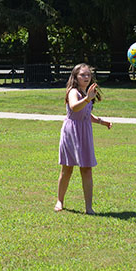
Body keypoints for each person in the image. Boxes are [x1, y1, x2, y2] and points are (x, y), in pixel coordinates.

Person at [55, 63, 112, 215]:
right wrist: (87, 98)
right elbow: (74, 107)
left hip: (84, 133)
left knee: (87, 170)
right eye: (83, 75)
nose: (86, 77)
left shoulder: (87, 93)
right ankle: (60, 201)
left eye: (88, 75)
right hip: (71, 132)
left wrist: (101, 121)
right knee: (67, 169)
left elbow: (85, 114)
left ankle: (89, 207)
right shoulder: (73, 91)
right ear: (75, 77)